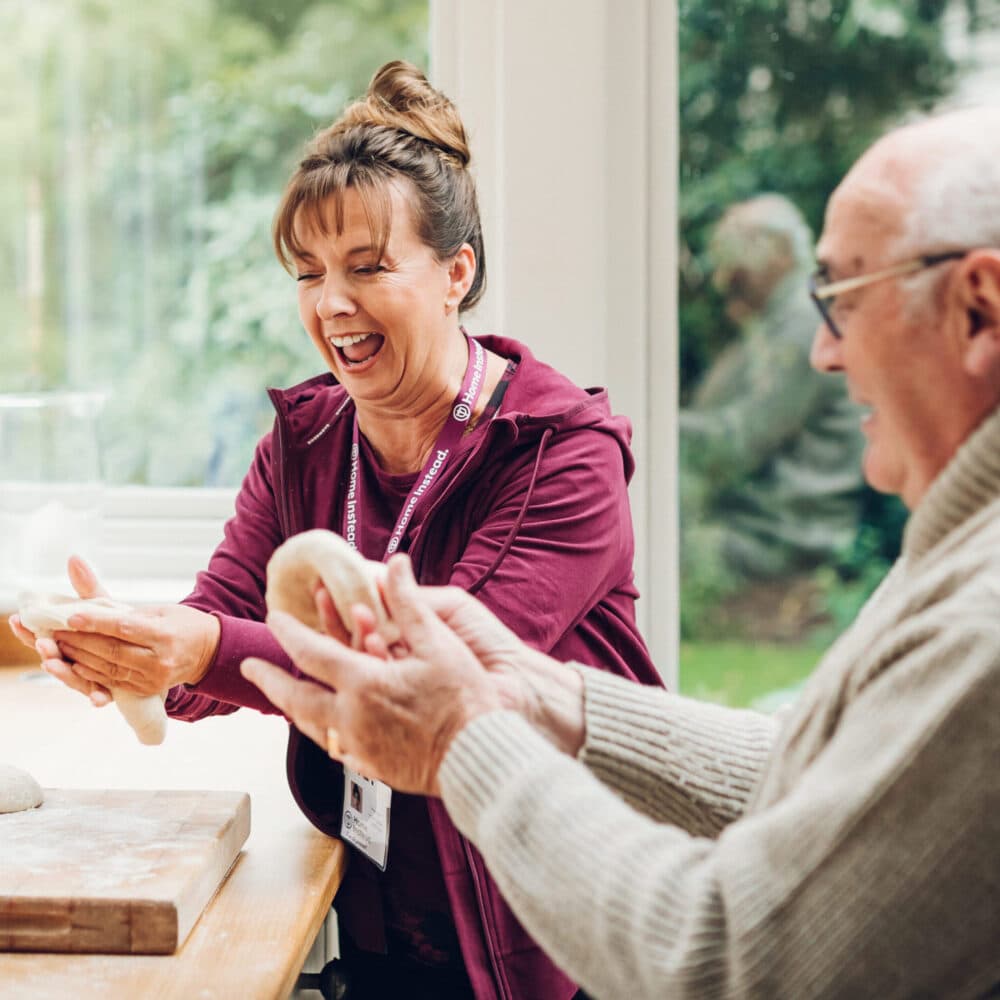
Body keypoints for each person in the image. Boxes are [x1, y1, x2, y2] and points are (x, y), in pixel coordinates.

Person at [242, 106, 1000, 999]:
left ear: (979, 309)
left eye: (841, 297)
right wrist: (543, 696)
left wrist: (465, 740)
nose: (824, 353)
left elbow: (732, 961)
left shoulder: (981, 623)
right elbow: (829, 776)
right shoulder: (960, 557)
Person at [8, 62, 662, 1000]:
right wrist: (129, 650)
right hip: (387, 933)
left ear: (456, 275)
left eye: (367, 267)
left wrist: (198, 651)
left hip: (563, 946)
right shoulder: (308, 438)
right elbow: (215, 641)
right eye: (308, 273)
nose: (332, 304)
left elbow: (431, 679)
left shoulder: (558, 451)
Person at [680, 194, 864, 580]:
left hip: (786, 535)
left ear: (778, 255)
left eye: (736, 272)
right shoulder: (778, 320)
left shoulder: (801, 325)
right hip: (763, 519)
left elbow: (738, 445)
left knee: (650, 538)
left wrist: (650, 422)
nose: (721, 284)